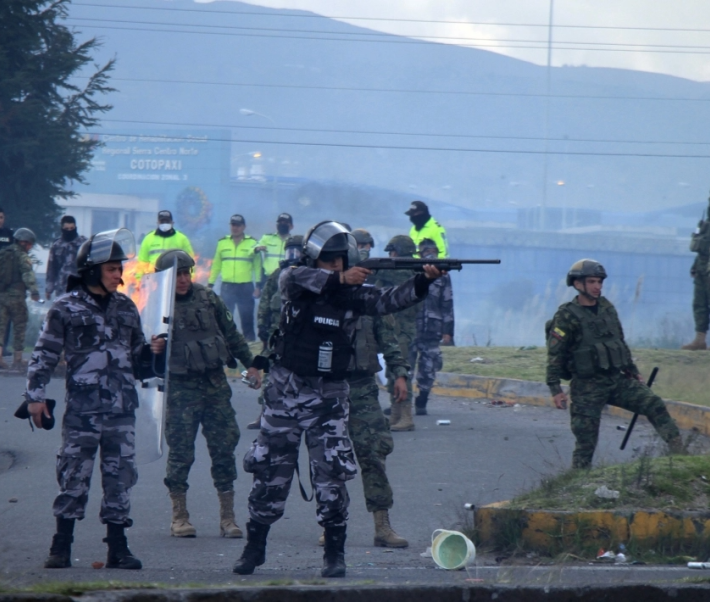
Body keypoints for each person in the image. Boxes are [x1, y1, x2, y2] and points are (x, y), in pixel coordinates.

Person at [232, 221, 443, 578]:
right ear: (316, 261)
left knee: (331, 477)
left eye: (340, 262)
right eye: (329, 262)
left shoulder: (354, 297)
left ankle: (334, 553)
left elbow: (389, 300)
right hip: (285, 397)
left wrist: (423, 281)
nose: (336, 267)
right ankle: (254, 549)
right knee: (270, 475)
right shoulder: (296, 281)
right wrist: (338, 279)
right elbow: (294, 278)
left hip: (328, 400)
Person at [26, 228, 164, 570]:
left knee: (120, 478)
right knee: (73, 476)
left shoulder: (126, 307)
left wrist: (153, 352)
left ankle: (118, 548)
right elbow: (44, 355)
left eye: (120, 268)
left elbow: (138, 361)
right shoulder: (65, 308)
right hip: (82, 411)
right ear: (92, 270)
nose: (120, 274)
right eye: (113, 269)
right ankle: (61, 546)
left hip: (121, 410)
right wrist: (35, 397)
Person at [154, 250, 261, 539]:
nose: (183, 279)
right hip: (180, 390)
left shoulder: (208, 298)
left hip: (214, 386)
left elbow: (232, 334)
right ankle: (180, 516)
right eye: (177, 274)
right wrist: (151, 349)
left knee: (224, 448)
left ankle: (228, 517)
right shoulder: (155, 306)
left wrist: (252, 365)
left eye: (187, 273)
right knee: (181, 453)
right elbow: (139, 352)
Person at [546, 259, 684, 469]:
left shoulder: (607, 308)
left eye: (600, 282)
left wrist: (633, 371)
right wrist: (555, 389)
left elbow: (619, 342)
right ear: (577, 284)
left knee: (653, 404)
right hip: (587, 387)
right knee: (586, 441)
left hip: (616, 380)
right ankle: (577, 486)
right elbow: (555, 354)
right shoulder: (566, 315)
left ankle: (681, 454)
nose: (597, 286)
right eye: (592, 281)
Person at [338, 227, 409, 548]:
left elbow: (389, 339)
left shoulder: (370, 298)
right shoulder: (318, 297)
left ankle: (382, 525)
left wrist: (399, 373)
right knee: (329, 460)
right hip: (327, 389)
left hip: (363, 387)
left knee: (374, 453)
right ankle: (331, 524)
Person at [249, 234, 303, 430]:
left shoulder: (309, 274)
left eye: (297, 251)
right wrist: (262, 327)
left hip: (299, 335)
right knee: (270, 373)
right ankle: (264, 414)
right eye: (290, 251)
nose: (293, 255)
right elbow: (264, 301)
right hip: (275, 334)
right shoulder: (277, 274)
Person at [375, 235, 418, 431]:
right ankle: (395, 412)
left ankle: (406, 415)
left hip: (403, 328)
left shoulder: (407, 271)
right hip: (393, 325)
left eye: (393, 252)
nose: (391, 256)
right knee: (392, 370)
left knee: (400, 370)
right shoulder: (394, 271)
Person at [411, 239, 454, 415]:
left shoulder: (443, 274)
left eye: (433, 251)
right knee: (404, 367)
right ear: (419, 253)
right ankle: (400, 402)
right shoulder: (412, 269)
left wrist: (448, 331)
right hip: (411, 327)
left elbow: (448, 303)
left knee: (428, 368)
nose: (430, 254)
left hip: (432, 329)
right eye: (426, 251)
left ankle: (422, 401)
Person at [209, 214, 261, 342]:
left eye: (238, 225)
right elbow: (216, 265)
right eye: (233, 225)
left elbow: (258, 266)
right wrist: (210, 284)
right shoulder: (222, 243)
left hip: (245, 287)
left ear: (243, 227)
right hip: (227, 287)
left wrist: (258, 286)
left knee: (247, 319)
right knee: (225, 319)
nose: (235, 228)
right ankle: (225, 345)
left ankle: (250, 347)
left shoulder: (253, 243)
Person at [0, 228, 40, 370]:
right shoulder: (23, 256)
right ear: (25, 243)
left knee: (1, 327)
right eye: (29, 244)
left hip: (1, 295)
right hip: (16, 296)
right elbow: (27, 274)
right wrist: (34, 291)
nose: (29, 247)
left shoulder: (3, 253)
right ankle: (17, 359)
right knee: (19, 326)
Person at [682, 195, 710, 350]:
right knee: (700, 304)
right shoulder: (706, 224)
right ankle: (700, 339)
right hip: (702, 267)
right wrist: (695, 265)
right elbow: (701, 247)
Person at [136, 210, 194, 280]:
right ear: (158, 223)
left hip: (175, 280)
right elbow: (142, 263)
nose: (164, 223)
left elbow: (191, 262)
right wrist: (139, 281)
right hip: (152, 280)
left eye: (167, 221)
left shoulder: (182, 239)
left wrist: (190, 280)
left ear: (172, 223)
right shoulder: (148, 239)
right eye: (162, 222)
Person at [45, 216, 88, 300]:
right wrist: (49, 289)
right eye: (66, 228)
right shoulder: (57, 245)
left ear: (75, 227)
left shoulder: (84, 243)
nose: (69, 231)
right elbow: (52, 268)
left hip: (80, 286)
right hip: (62, 287)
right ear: (62, 228)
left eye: (72, 228)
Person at [255, 213, 294, 281]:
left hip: (286, 279)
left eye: (285, 222)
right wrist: (256, 249)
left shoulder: (294, 241)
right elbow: (252, 249)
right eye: (280, 222)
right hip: (268, 278)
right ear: (277, 225)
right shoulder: (267, 238)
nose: (282, 224)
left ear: (291, 226)